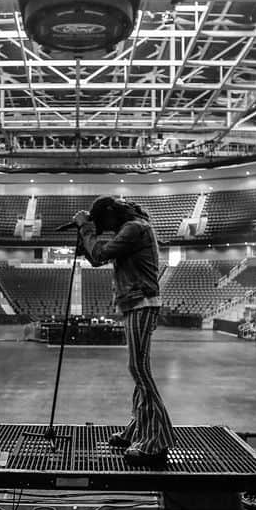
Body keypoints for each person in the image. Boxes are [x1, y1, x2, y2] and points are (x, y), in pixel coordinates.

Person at [72, 196, 176, 466]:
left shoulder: (133, 228)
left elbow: (98, 255)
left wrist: (86, 228)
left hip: (141, 303)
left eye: (101, 220)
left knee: (139, 369)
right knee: (138, 369)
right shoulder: (132, 228)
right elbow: (96, 256)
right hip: (137, 303)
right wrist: (86, 238)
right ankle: (137, 431)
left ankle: (157, 442)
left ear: (111, 214)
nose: (102, 226)